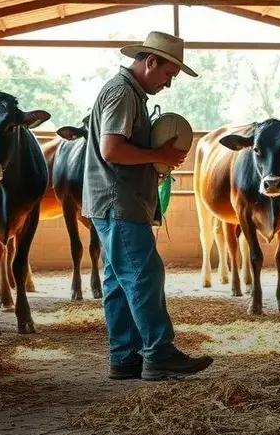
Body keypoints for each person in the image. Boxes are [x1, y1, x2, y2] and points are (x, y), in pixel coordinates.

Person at [82, 31, 213, 380]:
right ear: (150, 61)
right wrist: (159, 155)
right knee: (144, 275)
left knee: (119, 280)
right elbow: (111, 149)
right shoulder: (123, 93)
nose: (168, 84)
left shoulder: (129, 93)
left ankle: (124, 357)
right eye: (168, 74)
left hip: (114, 200)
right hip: (118, 200)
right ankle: (158, 352)